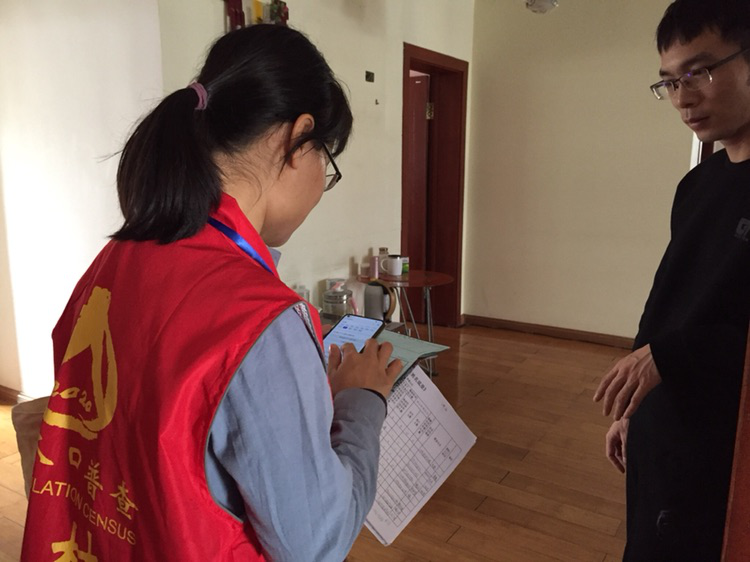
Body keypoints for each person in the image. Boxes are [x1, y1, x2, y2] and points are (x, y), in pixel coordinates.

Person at [21, 24, 402, 561]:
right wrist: (362, 400)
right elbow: (315, 544)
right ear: (298, 140)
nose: (322, 184)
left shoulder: (118, 258)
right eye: (327, 162)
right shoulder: (259, 319)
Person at [594, 0, 750, 559]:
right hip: (664, 426)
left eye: (700, 72)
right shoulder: (698, 184)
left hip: (725, 447)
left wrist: (671, 357)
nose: (683, 97)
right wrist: (633, 410)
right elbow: (666, 301)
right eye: (669, 81)